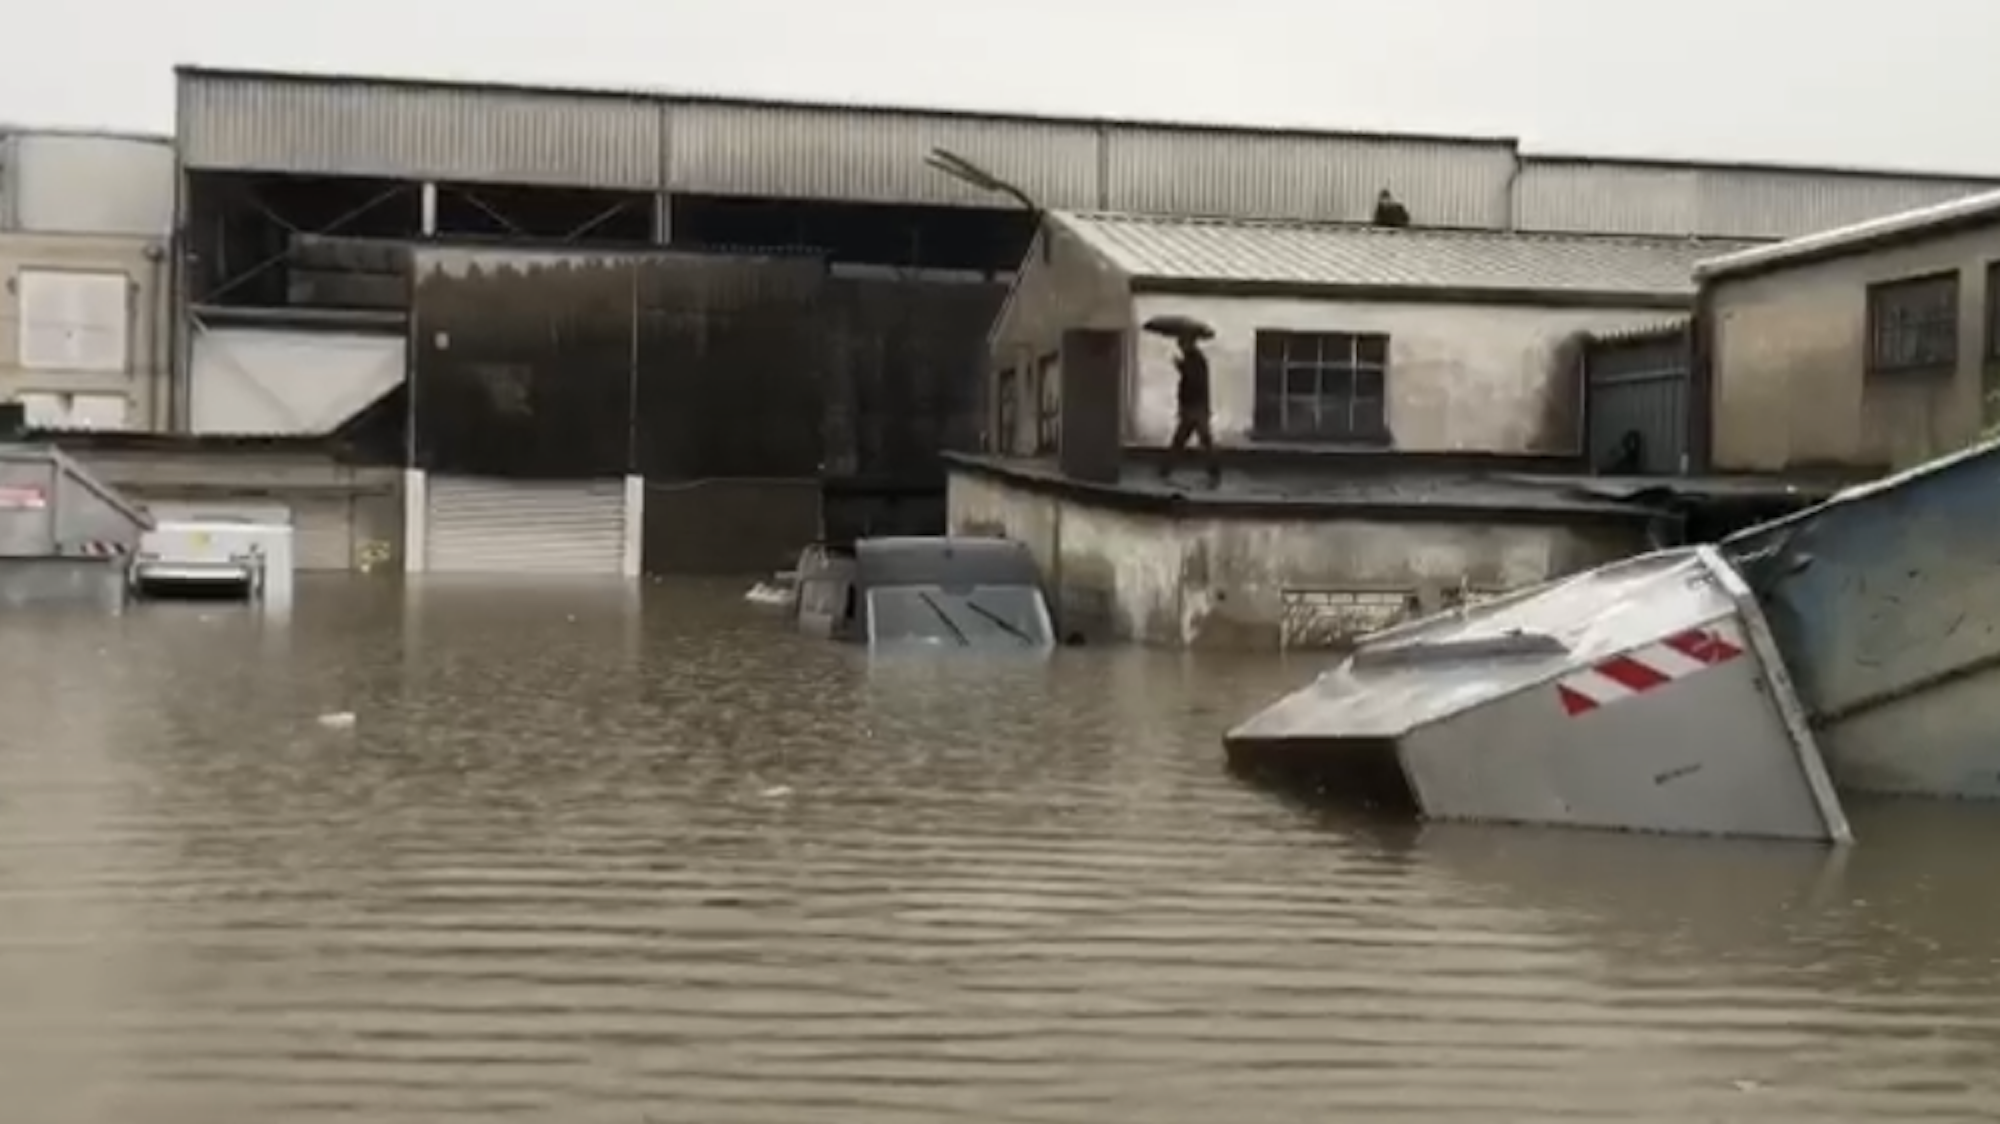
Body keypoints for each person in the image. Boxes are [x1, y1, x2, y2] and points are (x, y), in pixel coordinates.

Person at [1160, 333, 1222, 487]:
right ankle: (1166, 468)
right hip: (1195, 407)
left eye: (1182, 343)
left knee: (1194, 440)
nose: (1180, 347)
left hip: (1195, 407)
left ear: (1189, 343)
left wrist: (1181, 367)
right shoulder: (1194, 359)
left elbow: (1194, 381)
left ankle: (1167, 469)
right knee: (1187, 440)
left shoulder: (1196, 360)